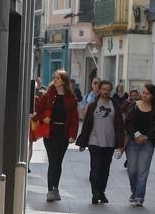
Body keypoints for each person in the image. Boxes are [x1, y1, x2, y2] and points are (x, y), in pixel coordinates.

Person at [32, 69, 79, 202]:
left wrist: (72, 135)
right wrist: (43, 119)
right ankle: (50, 190)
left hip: (63, 133)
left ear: (64, 81)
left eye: (58, 78)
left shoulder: (71, 98)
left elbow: (74, 118)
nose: (55, 80)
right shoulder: (48, 95)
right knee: (52, 161)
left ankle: (55, 188)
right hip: (50, 132)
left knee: (58, 162)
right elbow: (38, 112)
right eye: (55, 77)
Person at [76, 80, 125, 205]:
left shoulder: (115, 107)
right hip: (94, 141)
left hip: (109, 143)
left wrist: (120, 145)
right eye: (104, 89)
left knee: (105, 170)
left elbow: (120, 126)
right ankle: (95, 193)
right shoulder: (93, 106)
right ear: (99, 90)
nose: (106, 92)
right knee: (95, 168)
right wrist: (82, 142)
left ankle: (101, 192)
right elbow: (87, 124)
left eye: (108, 89)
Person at [123, 84, 155, 207]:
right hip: (133, 142)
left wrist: (147, 136)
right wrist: (136, 135)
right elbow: (128, 123)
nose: (144, 95)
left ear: (152, 95)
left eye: (147, 93)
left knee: (142, 171)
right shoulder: (134, 105)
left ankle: (139, 196)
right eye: (143, 92)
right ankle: (134, 192)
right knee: (132, 170)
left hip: (147, 143)